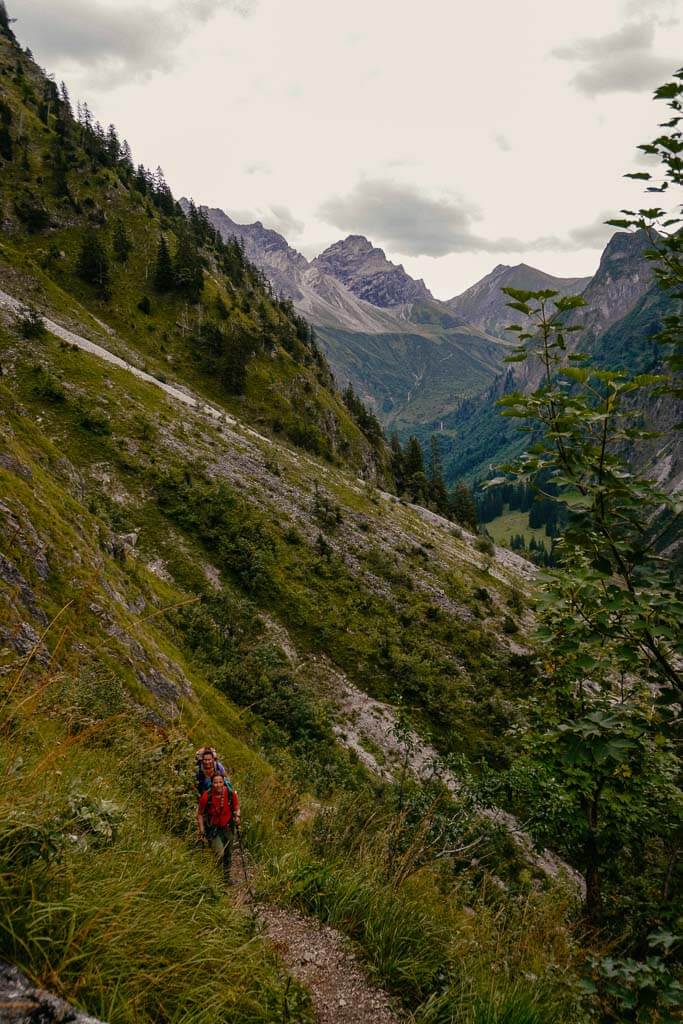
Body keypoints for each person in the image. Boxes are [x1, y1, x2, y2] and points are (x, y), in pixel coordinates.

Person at [196, 772, 240, 882]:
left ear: (224, 782)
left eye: (220, 782)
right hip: (214, 830)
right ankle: (216, 878)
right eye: (215, 782)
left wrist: (237, 816)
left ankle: (226, 878)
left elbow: (236, 807)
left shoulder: (230, 793)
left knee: (228, 854)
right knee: (219, 853)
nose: (218, 785)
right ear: (212, 783)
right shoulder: (206, 796)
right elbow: (200, 814)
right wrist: (201, 829)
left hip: (228, 827)